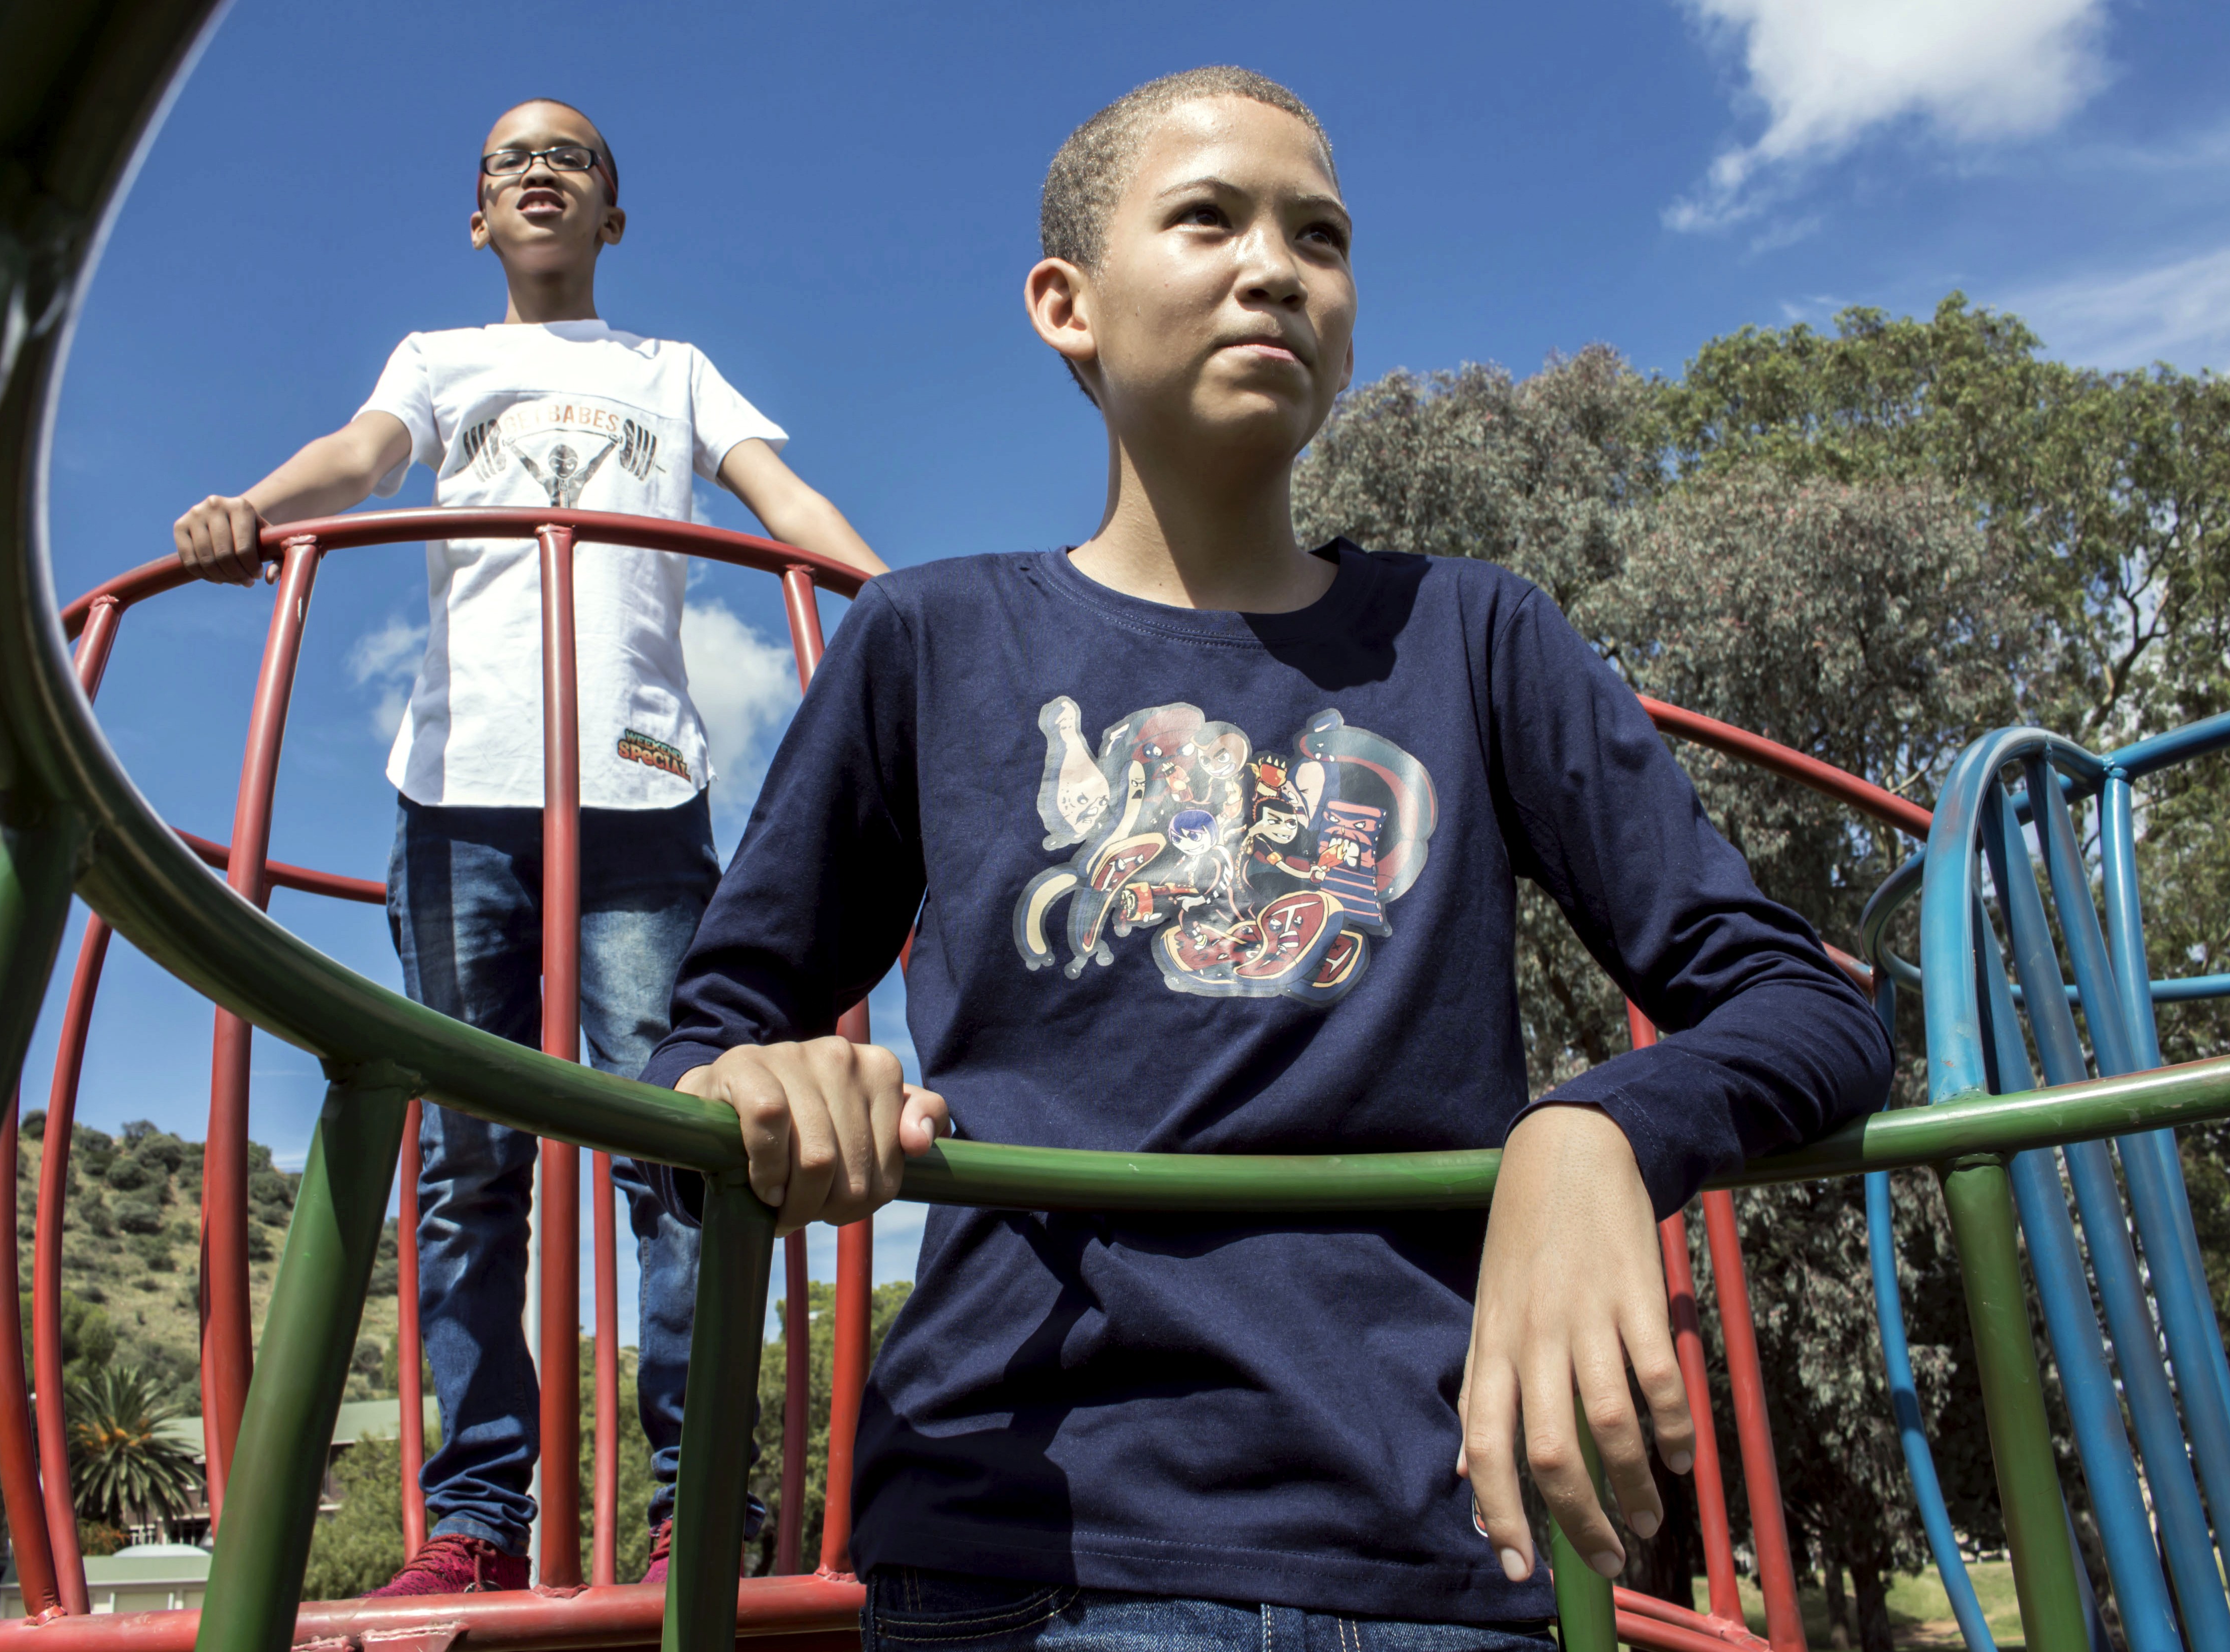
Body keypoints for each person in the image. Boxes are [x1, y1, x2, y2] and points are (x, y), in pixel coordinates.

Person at [638, 66, 1891, 1651]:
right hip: (1026, 1541)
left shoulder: (1472, 635)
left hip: (1433, 1546)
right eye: (1207, 218)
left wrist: (1595, 1128)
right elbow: (706, 1043)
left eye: (1321, 234)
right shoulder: (930, 643)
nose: (1274, 266)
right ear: (1064, 304)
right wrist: (762, 1083)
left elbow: (1808, 1004)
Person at [171, 96, 884, 1596]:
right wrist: (253, 509)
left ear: (612, 218)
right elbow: (361, 456)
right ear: (479, 217)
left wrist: (896, 606)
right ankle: (478, 1518)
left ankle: (700, 1499)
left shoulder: (669, 370)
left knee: (680, 1150)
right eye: (508, 161)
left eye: (571, 158)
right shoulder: (442, 361)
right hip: (459, 796)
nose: (538, 171)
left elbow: (783, 497)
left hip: (639, 793)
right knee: (465, 1167)